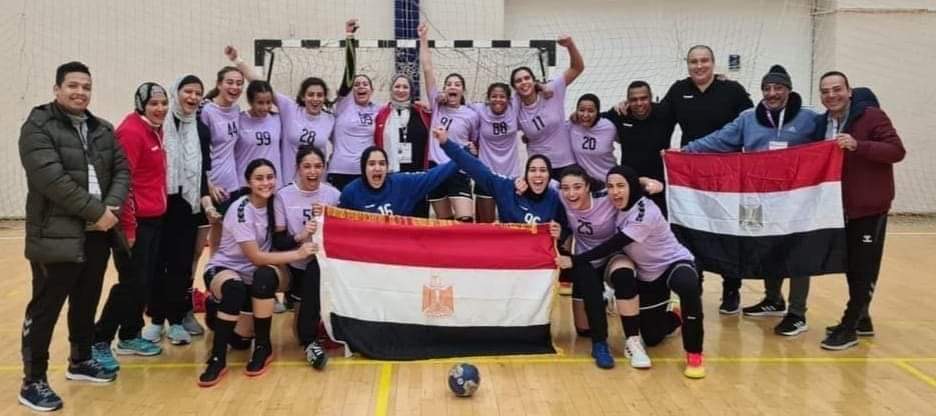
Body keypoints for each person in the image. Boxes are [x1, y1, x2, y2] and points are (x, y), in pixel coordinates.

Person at [18, 61, 129, 411]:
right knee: (45, 308)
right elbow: (51, 180)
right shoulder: (37, 126)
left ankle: (80, 360)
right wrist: (97, 212)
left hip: (98, 234)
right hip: (56, 236)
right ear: (57, 89)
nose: (80, 92)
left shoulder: (102, 129)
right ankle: (33, 380)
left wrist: (111, 207)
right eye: (73, 86)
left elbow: (122, 170)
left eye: (86, 87)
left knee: (86, 300)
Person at [682, 65, 819, 336]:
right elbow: (720, 139)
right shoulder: (748, 118)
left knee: (798, 254)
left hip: (797, 199)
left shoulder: (810, 118)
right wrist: (685, 151)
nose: (772, 93)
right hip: (761, 198)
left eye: (778, 88)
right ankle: (773, 299)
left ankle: (797, 313)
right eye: (767, 88)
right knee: (767, 248)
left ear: (789, 90)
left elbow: (830, 142)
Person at [560, 165, 706, 379]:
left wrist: (573, 260)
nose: (615, 191)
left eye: (621, 186)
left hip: (672, 263)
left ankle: (694, 353)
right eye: (611, 186)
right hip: (647, 275)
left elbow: (613, 244)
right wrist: (645, 182)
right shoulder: (615, 204)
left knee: (687, 285)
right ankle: (675, 316)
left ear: (631, 187)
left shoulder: (644, 212)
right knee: (653, 337)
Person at [198, 159, 317, 387]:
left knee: (264, 279)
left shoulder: (276, 203)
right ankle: (217, 358)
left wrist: (304, 233)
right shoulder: (241, 210)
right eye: (259, 179)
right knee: (235, 305)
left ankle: (263, 347)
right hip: (228, 269)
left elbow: (275, 247)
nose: (266, 183)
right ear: (249, 182)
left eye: (270, 177)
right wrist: (298, 253)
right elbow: (256, 257)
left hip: (257, 275)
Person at [660, 44, 754, 314]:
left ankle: (731, 288)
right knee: (692, 228)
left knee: (729, 231)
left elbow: (752, 122)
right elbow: (658, 119)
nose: (699, 66)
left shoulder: (732, 90)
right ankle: (695, 282)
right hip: (691, 175)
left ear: (713, 63)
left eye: (704, 61)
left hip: (727, 175)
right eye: (693, 61)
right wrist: (622, 110)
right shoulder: (679, 90)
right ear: (687, 65)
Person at [815, 72, 905, 351]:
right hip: (840, 207)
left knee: (864, 267)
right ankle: (862, 319)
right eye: (825, 91)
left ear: (849, 91)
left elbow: (896, 151)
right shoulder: (822, 123)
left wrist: (859, 145)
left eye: (837, 89)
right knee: (853, 265)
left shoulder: (872, 117)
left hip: (869, 206)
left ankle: (850, 325)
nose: (832, 95)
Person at [91, 83, 168, 373]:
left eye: (163, 103)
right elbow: (123, 182)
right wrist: (129, 227)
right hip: (135, 224)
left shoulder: (153, 129)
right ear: (141, 104)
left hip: (154, 220)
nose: (160, 108)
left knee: (142, 282)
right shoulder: (131, 132)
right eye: (153, 104)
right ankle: (100, 339)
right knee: (131, 283)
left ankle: (130, 335)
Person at [225, 45, 335, 181]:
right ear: (302, 96)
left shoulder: (330, 119)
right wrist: (237, 60)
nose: (315, 99)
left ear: (324, 98)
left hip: (316, 182)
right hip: (289, 182)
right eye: (311, 94)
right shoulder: (290, 108)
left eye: (319, 95)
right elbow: (260, 84)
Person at [273, 145, 339, 369]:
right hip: (293, 264)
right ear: (298, 168)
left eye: (318, 166)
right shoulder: (283, 196)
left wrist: (329, 218)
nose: (313, 171)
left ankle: (314, 340)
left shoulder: (333, 195)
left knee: (316, 267)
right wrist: (301, 236)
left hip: (322, 266)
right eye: (307, 166)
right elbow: (278, 241)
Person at [436, 126, 565, 226]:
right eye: (532, 170)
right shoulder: (508, 189)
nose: (538, 175)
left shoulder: (556, 198)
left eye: (543, 170)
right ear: (526, 174)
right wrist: (447, 143)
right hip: (510, 250)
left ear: (549, 175)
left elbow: (569, 225)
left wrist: (560, 233)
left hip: (538, 252)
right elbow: (475, 168)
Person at [418, 22, 480, 222]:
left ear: (462, 90)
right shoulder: (437, 104)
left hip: (458, 168)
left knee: (465, 219)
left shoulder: (471, 115)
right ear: (444, 89)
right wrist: (423, 39)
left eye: (457, 84)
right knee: (444, 222)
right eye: (449, 84)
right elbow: (427, 68)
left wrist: (474, 149)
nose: (453, 86)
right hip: (435, 168)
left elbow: (475, 142)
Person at [339, 129, 458, 216]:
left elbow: (435, 175)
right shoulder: (351, 192)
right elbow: (341, 226)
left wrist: (461, 154)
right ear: (363, 168)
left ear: (387, 168)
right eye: (371, 164)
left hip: (399, 242)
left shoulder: (402, 184)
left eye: (382, 163)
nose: (377, 168)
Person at [512, 35, 584, 178]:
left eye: (527, 78)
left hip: (565, 163)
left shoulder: (552, 90)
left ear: (534, 81)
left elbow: (577, 68)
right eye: (518, 81)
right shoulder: (515, 107)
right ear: (514, 87)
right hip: (539, 168)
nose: (524, 82)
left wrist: (570, 45)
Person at [602, 81, 674, 216]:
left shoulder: (665, 112)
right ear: (627, 100)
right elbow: (592, 119)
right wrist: (576, 116)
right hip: (630, 182)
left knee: (660, 220)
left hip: (659, 181)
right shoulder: (620, 113)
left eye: (643, 98)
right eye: (634, 99)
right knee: (631, 221)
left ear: (651, 97)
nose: (639, 103)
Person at [327, 18, 378, 191]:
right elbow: (350, 73)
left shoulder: (378, 110)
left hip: (367, 171)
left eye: (365, 84)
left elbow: (401, 101)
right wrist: (350, 37)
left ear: (372, 90)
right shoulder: (344, 104)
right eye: (357, 84)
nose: (360, 86)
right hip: (341, 170)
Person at [374, 74, 432, 217]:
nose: (401, 90)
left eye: (405, 87)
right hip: (392, 177)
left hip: (417, 177)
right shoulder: (381, 114)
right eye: (397, 86)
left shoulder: (423, 113)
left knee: (418, 218)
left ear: (411, 91)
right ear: (391, 89)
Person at [468, 83, 522, 223]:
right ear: (488, 98)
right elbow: (457, 105)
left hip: (510, 175)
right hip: (486, 174)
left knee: (510, 223)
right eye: (494, 96)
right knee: (485, 225)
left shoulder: (515, 107)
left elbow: (532, 91)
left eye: (502, 96)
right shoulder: (480, 109)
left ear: (509, 99)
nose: (498, 99)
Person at [569, 94, 617, 184]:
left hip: (609, 180)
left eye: (591, 111)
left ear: (597, 112)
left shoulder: (609, 127)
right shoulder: (572, 125)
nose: (585, 115)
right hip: (585, 183)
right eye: (581, 110)